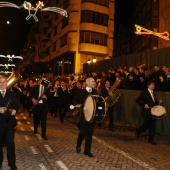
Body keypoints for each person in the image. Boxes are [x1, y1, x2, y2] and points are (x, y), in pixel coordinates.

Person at [72, 77, 97, 158]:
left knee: (89, 134)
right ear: (87, 82)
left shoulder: (95, 92)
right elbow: (74, 101)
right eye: (92, 81)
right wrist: (78, 105)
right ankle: (78, 144)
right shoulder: (80, 91)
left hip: (92, 116)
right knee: (82, 132)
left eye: (94, 81)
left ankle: (87, 151)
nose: (94, 82)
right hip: (84, 115)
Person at [0, 75, 19, 170]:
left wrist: (15, 110)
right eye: (0, 82)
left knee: (10, 143)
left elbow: (16, 104)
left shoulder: (12, 93)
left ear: (7, 83)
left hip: (9, 123)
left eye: (4, 82)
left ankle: (12, 163)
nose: (2, 84)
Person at [135, 80, 162, 145]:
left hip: (153, 112)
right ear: (148, 85)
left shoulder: (154, 93)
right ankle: (138, 132)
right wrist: (144, 104)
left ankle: (151, 139)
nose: (153, 86)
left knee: (153, 125)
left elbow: (153, 103)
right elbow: (138, 100)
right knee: (146, 124)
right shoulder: (144, 92)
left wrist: (158, 102)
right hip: (146, 112)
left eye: (154, 85)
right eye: (152, 85)